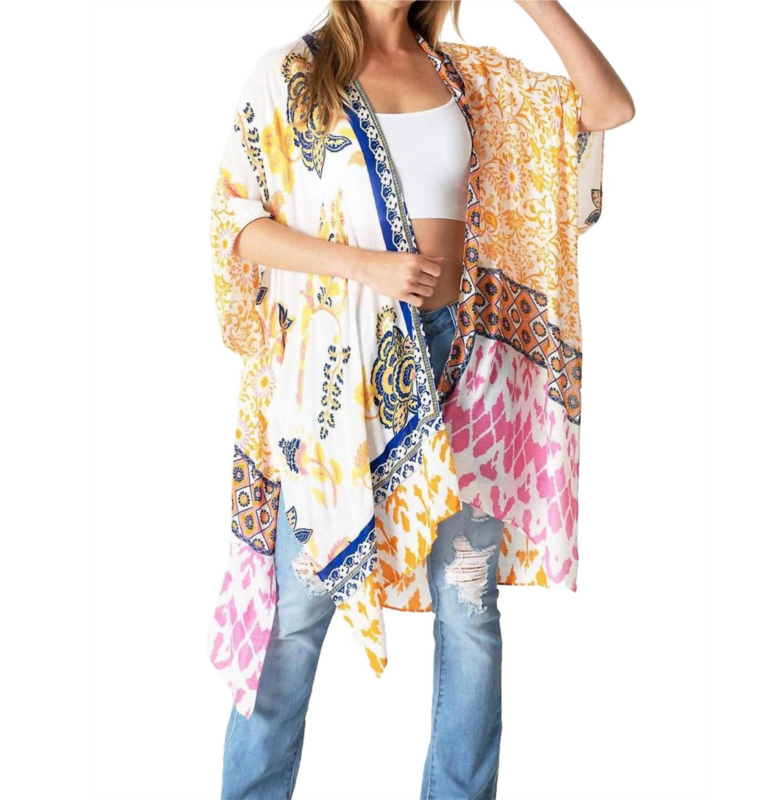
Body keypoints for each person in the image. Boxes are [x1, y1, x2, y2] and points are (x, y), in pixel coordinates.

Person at [208, 1, 635, 798]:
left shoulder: (463, 76)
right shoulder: (294, 74)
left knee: (470, 608)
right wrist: (365, 268)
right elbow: (237, 222)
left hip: (462, 362)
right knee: (296, 612)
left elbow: (608, 106)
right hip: (341, 377)